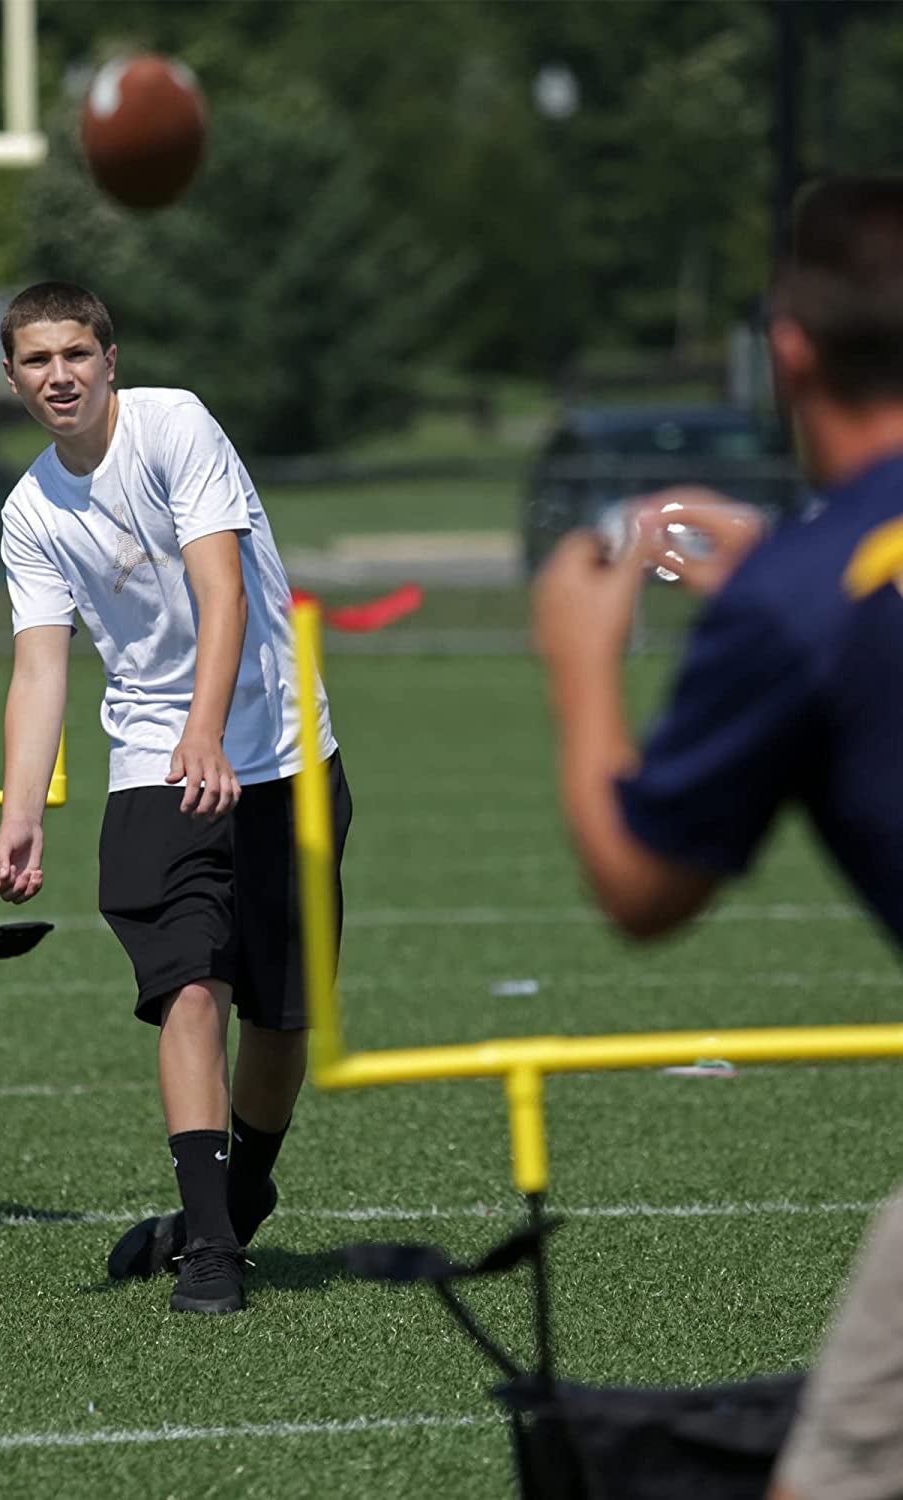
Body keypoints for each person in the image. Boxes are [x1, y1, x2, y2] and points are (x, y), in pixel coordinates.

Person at [528, 176, 903, 1500]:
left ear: (788, 346)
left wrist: (582, 661)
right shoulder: (804, 585)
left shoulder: (796, 604)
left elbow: (641, 885)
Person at [0, 282, 352, 1315]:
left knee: (282, 1016)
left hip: (281, 751)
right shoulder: (28, 513)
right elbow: (41, 669)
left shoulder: (174, 424)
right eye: (36, 361)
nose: (59, 375)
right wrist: (21, 808)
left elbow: (221, 589)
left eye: (75, 354)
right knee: (189, 985)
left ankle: (231, 1200)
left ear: (111, 358)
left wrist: (211, 729)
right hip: (155, 760)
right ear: (11, 379)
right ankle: (212, 1254)